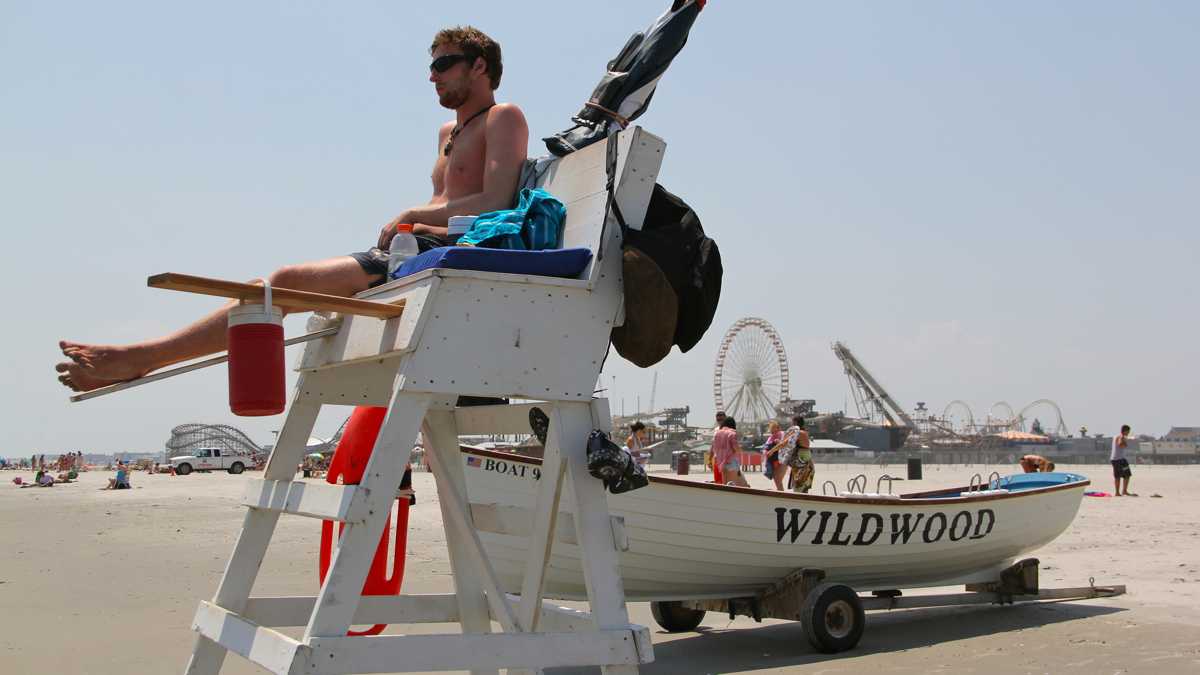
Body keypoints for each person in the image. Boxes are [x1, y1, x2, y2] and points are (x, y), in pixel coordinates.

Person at [55, 26, 529, 393]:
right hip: (410, 248)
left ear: (480, 65)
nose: (433, 75)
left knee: (282, 283)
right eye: (431, 66)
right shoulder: (448, 134)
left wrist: (411, 215)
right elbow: (448, 199)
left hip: (442, 248)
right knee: (271, 291)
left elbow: (497, 200)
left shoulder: (502, 116)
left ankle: (140, 357)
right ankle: (142, 356)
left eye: (444, 63)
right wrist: (413, 220)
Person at [778, 416, 814, 494]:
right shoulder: (804, 432)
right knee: (803, 486)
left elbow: (786, 443)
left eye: (792, 423)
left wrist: (777, 444)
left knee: (799, 486)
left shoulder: (798, 432)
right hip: (806, 458)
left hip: (801, 460)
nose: (791, 425)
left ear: (795, 423)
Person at [712, 418, 749, 487]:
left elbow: (714, 447)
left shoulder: (717, 433)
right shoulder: (732, 433)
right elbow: (736, 448)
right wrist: (740, 450)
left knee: (725, 485)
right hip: (731, 461)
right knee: (732, 485)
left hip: (721, 462)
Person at [1111, 424, 1135, 496]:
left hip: (1120, 459)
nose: (1128, 433)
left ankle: (1124, 491)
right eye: (1128, 431)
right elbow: (1120, 444)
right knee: (1118, 476)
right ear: (1125, 431)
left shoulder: (1117, 436)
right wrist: (1125, 443)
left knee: (1127, 474)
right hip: (1118, 460)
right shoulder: (1121, 436)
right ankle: (1117, 492)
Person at [762, 420, 785, 490]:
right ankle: (781, 494)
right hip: (773, 460)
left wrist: (778, 442)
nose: (773, 433)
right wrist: (765, 452)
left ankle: (782, 496)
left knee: (778, 479)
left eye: (774, 431)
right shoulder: (770, 437)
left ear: (778, 428)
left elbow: (783, 445)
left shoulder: (782, 434)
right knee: (777, 480)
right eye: (772, 431)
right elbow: (765, 447)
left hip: (780, 460)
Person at [708, 411, 727, 483]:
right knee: (718, 480)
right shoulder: (716, 430)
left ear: (725, 419)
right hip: (717, 459)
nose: (720, 421)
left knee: (726, 480)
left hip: (726, 459)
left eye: (722, 419)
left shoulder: (730, 430)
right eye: (718, 420)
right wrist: (709, 459)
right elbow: (713, 445)